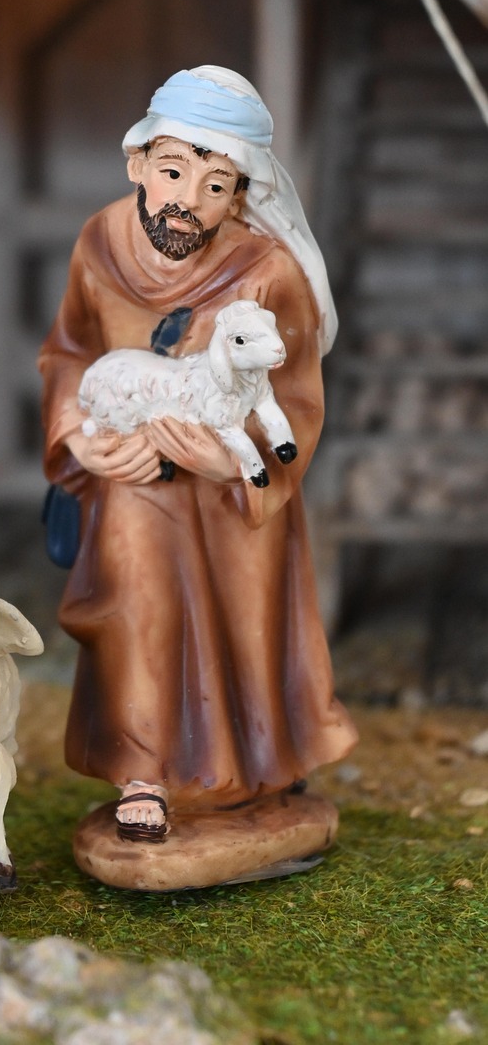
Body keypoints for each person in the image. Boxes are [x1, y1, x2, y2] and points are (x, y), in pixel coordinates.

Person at [39, 66, 357, 844]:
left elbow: (294, 397)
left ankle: (262, 759)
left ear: (239, 197)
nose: (187, 199)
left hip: (229, 491)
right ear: (138, 163)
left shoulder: (266, 272)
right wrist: (80, 439)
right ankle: (142, 771)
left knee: (246, 615)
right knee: (134, 597)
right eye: (173, 171)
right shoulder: (99, 242)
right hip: (132, 476)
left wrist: (232, 464)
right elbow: (70, 353)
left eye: (215, 186)